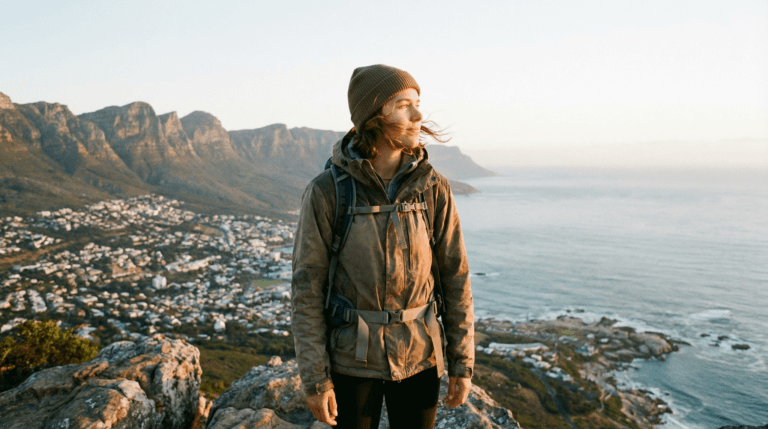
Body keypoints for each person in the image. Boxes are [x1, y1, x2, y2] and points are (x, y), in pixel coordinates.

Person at [291, 64, 474, 429]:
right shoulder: (328, 192)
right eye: (403, 104)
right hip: (353, 362)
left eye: (417, 103)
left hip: (420, 356)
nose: (418, 115)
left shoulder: (433, 188)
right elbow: (307, 290)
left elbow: (456, 277)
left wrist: (461, 361)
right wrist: (316, 379)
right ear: (374, 116)